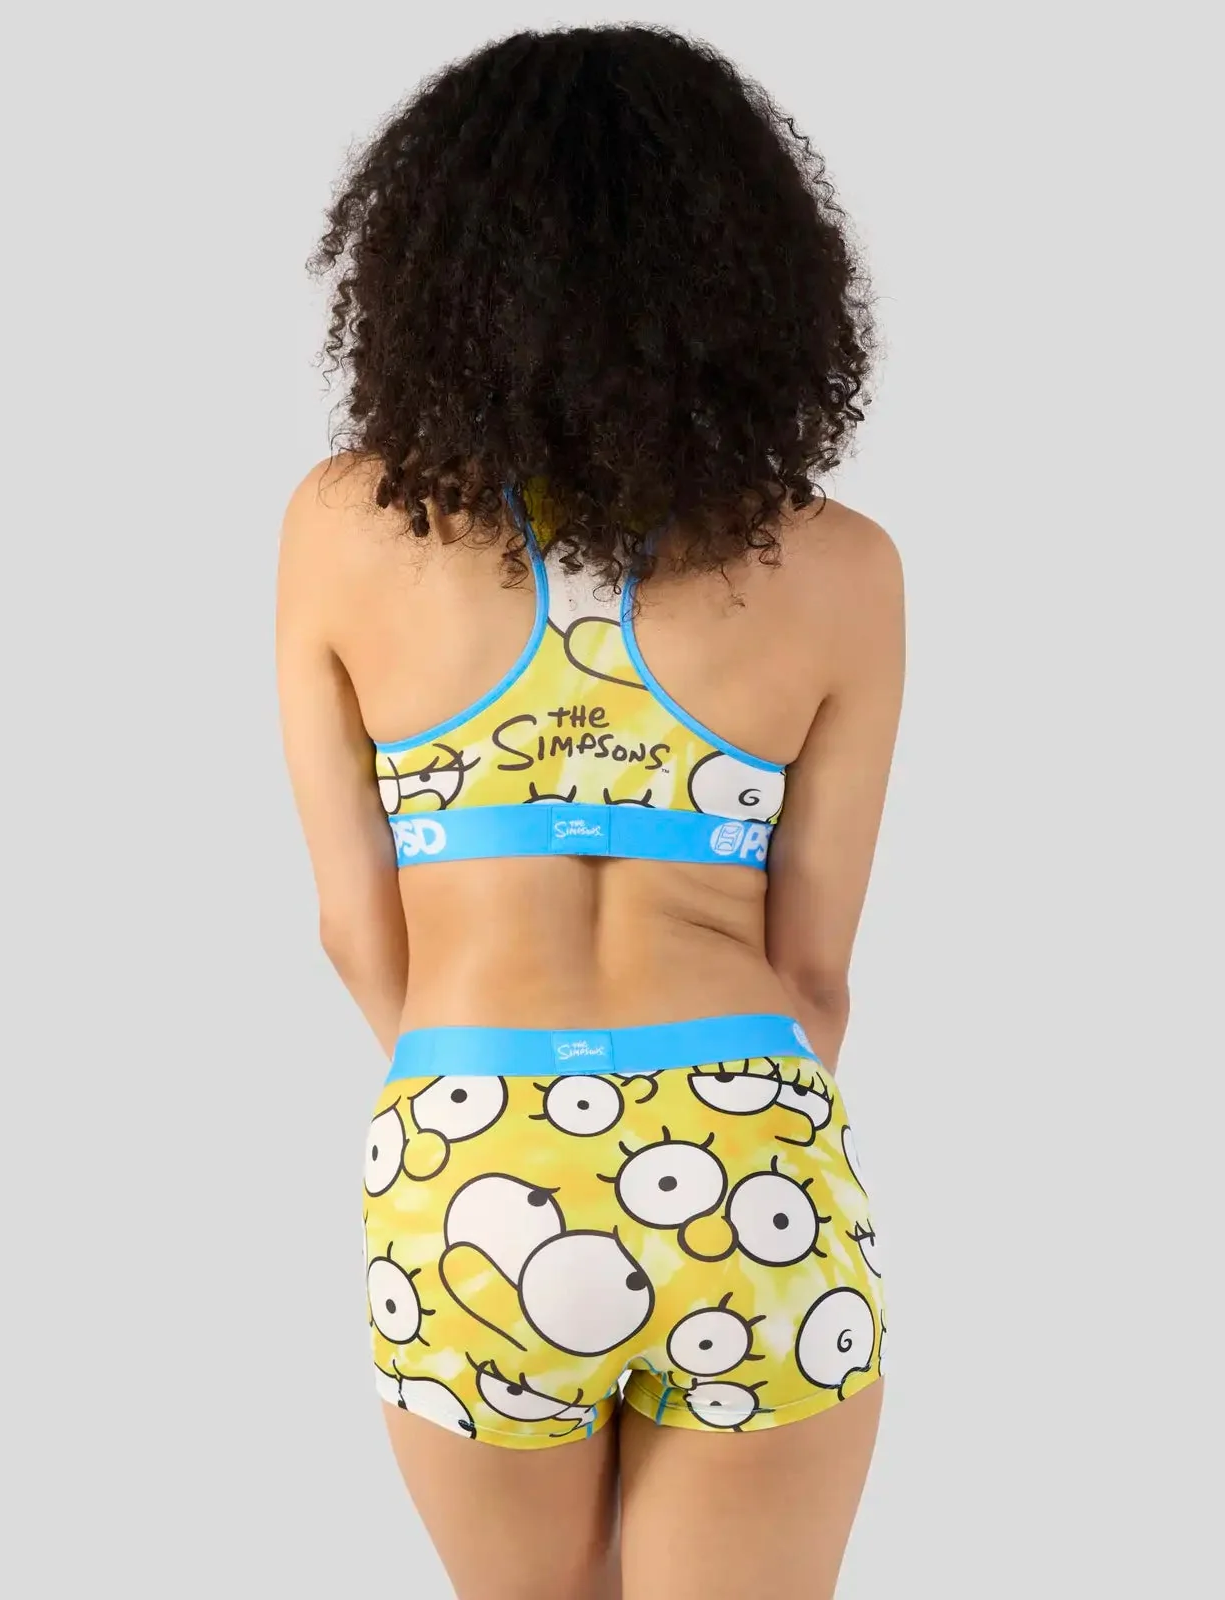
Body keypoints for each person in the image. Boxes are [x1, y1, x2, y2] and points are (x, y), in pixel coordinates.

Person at [277, 25, 903, 1600]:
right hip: (744, 1141)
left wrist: (491, 1102)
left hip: (464, 1145)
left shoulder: (346, 529)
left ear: (431, 271)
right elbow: (816, 972)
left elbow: (352, 925)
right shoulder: (839, 566)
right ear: (753, 280)